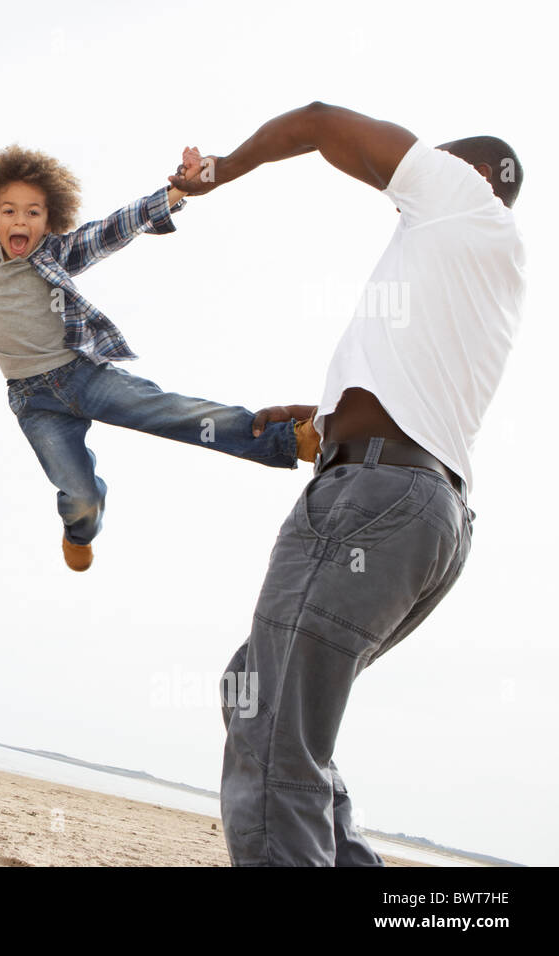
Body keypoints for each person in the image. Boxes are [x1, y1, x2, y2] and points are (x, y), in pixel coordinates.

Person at [169, 102, 526, 865]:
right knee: (266, 698)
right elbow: (413, 390)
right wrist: (329, 418)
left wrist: (220, 171)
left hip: (378, 501)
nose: (405, 171)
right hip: (429, 515)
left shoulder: (459, 195)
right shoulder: (487, 267)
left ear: (471, 171)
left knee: (273, 721)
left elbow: (320, 118)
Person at [0, 148, 312, 571]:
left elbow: (113, 229)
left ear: (49, 220)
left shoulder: (57, 253)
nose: (20, 221)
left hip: (83, 376)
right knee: (79, 496)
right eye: (9, 211)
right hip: (33, 401)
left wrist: (171, 194)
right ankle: (80, 533)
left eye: (33, 213)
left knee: (173, 411)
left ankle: (285, 440)